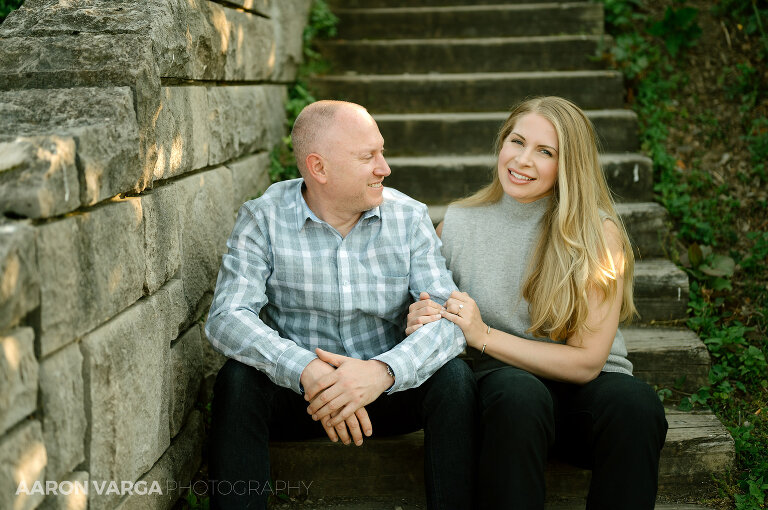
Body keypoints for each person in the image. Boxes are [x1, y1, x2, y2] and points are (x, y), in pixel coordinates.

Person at [204, 100, 477, 510]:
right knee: (236, 383)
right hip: (301, 396)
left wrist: (382, 372)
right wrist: (306, 371)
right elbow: (227, 316)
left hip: (385, 391)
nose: (384, 168)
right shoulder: (264, 218)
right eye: (368, 157)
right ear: (319, 168)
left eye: (380, 152)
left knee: (455, 379)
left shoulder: (408, 217)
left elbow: (450, 321)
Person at [406, 96, 668, 510]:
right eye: (517, 141)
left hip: (581, 405)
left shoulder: (596, 234)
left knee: (636, 404)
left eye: (545, 152)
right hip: (507, 410)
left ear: (569, 164)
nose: (523, 160)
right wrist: (421, 314)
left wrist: (484, 334)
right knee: (518, 392)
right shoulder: (457, 224)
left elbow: (586, 363)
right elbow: (429, 313)